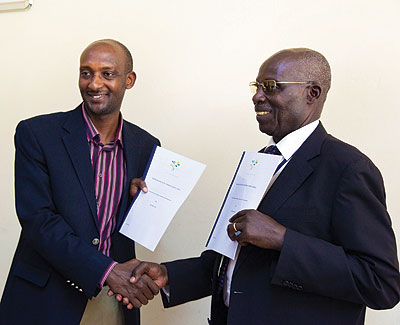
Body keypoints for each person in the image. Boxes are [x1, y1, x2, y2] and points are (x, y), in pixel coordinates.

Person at [123, 48, 400, 324]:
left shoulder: (348, 168)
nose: (257, 96)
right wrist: (169, 275)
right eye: (257, 86)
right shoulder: (260, 161)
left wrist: (283, 239)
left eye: (271, 86)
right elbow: (236, 259)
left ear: (311, 93)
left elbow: (381, 283)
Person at [0, 39, 161, 325]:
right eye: (86, 73)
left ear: (129, 80)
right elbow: (39, 221)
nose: (94, 83)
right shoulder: (37, 134)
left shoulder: (146, 145)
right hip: (44, 300)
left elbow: (138, 225)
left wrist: (142, 204)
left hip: (115, 302)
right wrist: (107, 270)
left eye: (107, 74)